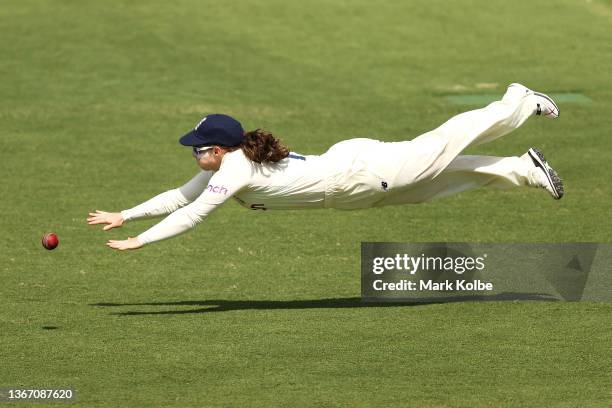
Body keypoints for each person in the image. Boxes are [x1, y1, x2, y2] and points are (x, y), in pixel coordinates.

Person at [87, 83, 563, 251]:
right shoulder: (227, 165)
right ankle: (524, 169)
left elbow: (192, 215)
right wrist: (124, 215)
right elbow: (180, 197)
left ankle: (517, 101)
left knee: (440, 146)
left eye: (199, 148)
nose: (194, 154)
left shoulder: (234, 171)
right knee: (435, 183)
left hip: (357, 173)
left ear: (219, 148)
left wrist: (140, 240)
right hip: (353, 187)